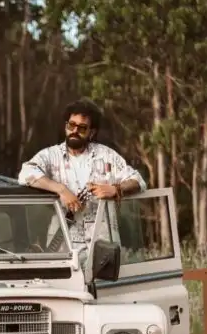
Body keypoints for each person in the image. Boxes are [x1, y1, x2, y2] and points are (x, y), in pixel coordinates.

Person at [17, 98, 146, 249]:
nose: (75, 131)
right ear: (66, 126)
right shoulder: (51, 155)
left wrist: (116, 189)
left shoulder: (107, 156)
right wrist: (61, 189)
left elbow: (138, 181)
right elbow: (26, 173)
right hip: (63, 244)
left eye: (82, 128)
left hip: (102, 245)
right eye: (71, 125)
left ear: (92, 132)